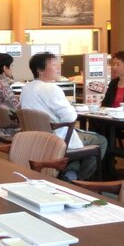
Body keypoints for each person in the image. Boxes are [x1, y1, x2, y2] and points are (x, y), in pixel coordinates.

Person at [20, 52, 107, 181]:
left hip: (36, 137)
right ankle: (78, 178)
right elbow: (70, 117)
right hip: (56, 138)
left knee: (78, 136)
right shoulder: (51, 88)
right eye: (53, 65)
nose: (58, 68)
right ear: (40, 70)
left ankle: (70, 171)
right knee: (101, 140)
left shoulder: (27, 88)